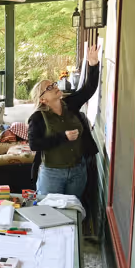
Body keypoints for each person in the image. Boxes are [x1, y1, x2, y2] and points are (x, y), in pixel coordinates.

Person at [28, 44, 100, 199]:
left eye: (53, 84)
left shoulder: (71, 104)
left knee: (72, 211)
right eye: (49, 88)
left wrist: (93, 65)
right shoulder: (38, 117)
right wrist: (63, 137)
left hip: (78, 171)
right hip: (52, 174)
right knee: (49, 213)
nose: (54, 86)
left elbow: (89, 89)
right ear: (43, 100)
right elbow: (34, 144)